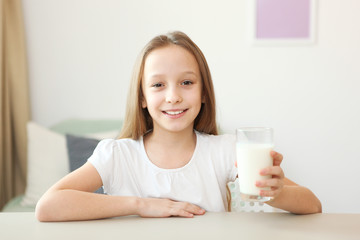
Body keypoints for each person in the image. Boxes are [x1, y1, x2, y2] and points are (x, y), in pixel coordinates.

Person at [35, 31, 322, 222]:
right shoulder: (117, 155)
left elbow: (312, 204)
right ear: (143, 98)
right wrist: (141, 205)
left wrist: (274, 191)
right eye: (158, 85)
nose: (173, 96)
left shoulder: (224, 150)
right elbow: (48, 206)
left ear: (204, 93)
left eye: (186, 82)